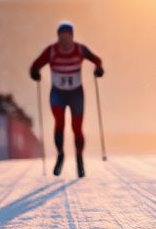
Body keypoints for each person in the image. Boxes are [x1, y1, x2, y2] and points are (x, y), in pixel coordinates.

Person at [29, 22, 104, 178]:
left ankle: (79, 158)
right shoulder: (51, 51)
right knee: (59, 123)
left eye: (67, 37)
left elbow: (97, 60)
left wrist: (99, 69)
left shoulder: (80, 49)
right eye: (61, 37)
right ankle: (60, 154)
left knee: (77, 127)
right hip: (58, 93)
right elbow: (35, 65)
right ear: (58, 37)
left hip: (76, 93)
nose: (64, 41)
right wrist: (35, 73)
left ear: (72, 36)